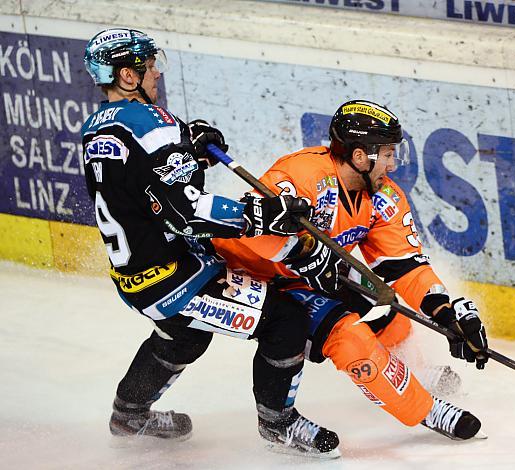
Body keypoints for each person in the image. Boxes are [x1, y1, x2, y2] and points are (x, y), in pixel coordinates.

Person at [80, 28, 340, 458]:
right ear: (128, 75)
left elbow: (146, 185)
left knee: (184, 337)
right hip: (176, 275)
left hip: (135, 275)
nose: (156, 73)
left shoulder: (96, 128)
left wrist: (189, 149)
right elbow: (185, 213)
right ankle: (279, 424)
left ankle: (129, 413)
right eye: (148, 66)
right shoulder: (149, 122)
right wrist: (262, 215)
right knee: (286, 320)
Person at [213, 100, 489, 440]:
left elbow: (405, 264)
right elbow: (252, 229)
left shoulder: (382, 195)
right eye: (387, 155)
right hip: (253, 274)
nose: (392, 165)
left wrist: (446, 315)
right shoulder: (300, 176)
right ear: (360, 156)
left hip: (314, 273)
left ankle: (412, 370)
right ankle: (425, 409)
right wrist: (301, 254)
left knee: (389, 313)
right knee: (349, 336)